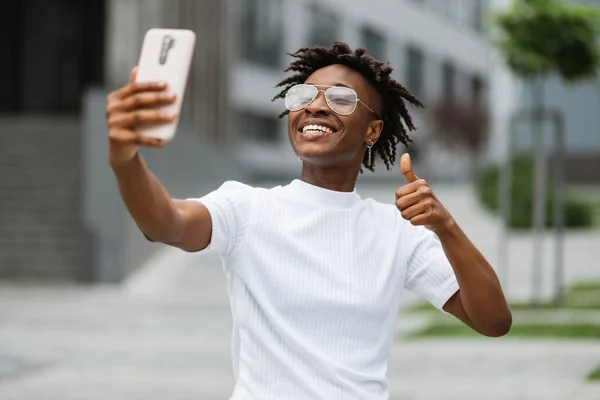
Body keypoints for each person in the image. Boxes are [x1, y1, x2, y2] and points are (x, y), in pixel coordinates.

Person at [105, 42, 511, 400]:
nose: (314, 106)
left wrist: (447, 228)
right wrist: (126, 161)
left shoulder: (395, 230)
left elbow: (493, 321)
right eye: (303, 96)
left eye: (340, 99)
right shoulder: (246, 209)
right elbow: (166, 223)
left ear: (372, 130)